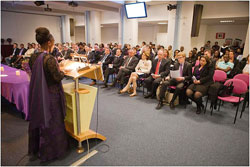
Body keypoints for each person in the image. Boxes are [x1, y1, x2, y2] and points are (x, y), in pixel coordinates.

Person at [28, 27, 68, 162]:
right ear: (49, 42)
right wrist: (63, 70)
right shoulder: (49, 59)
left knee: (40, 118)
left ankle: (37, 148)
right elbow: (57, 77)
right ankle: (52, 150)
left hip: (38, 93)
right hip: (51, 94)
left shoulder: (33, 57)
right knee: (52, 120)